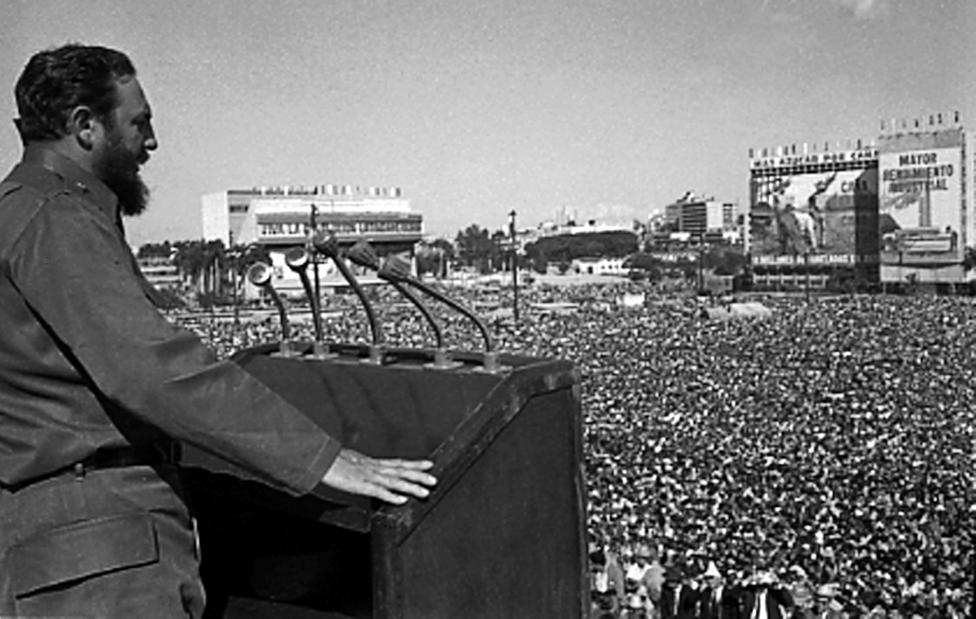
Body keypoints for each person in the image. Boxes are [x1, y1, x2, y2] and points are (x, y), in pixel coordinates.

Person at [0, 44, 436, 618]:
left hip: (58, 544)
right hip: (104, 556)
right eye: (140, 123)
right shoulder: (56, 218)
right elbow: (153, 367)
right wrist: (325, 460)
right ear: (85, 126)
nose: (151, 144)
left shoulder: (19, 210)